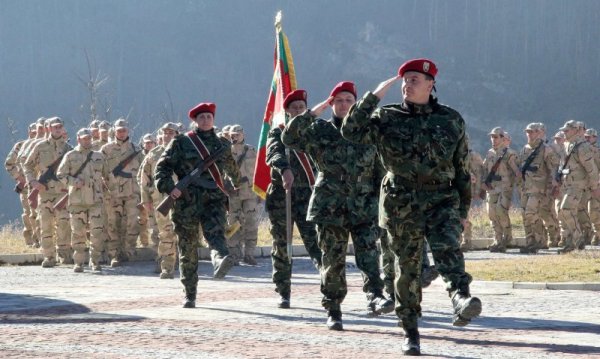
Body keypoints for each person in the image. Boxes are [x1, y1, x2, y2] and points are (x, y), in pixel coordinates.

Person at [341, 59, 481, 355]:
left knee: (448, 250)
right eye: (405, 80)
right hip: (401, 202)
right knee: (407, 268)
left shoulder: (450, 120)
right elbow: (351, 131)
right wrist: (373, 96)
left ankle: (460, 297)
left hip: (441, 198)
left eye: (415, 79)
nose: (407, 84)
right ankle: (410, 329)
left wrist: (463, 211)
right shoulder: (385, 117)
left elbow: (461, 169)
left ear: (431, 84)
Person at [282, 81, 393, 331]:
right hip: (329, 204)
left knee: (369, 253)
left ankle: (375, 296)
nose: (344, 105)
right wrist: (311, 113)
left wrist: (382, 204)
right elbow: (288, 137)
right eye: (338, 100)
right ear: (331, 104)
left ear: (355, 104)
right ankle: (333, 308)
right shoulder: (318, 130)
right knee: (333, 260)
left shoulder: (366, 131)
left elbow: (379, 171)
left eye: (348, 100)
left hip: (364, 203)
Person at [155, 102, 241, 308]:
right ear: (194, 120)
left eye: (209, 117)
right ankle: (190, 294)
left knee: (216, 234)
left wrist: (234, 184)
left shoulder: (222, 144)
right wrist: (170, 188)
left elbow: (232, 169)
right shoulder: (182, 142)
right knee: (188, 248)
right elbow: (162, 168)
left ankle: (220, 260)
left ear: (214, 120)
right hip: (187, 201)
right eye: (201, 117)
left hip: (213, 198)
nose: (205, 120)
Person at [266, 89, 322, 308]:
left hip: (309, 194)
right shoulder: (277, 132)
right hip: (283, 195)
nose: (298, 110)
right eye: (294, 107)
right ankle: (283, 291)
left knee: (316, 242)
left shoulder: (314, 131)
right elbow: (273, 153)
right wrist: (284, 169)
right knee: (282, 244)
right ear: (287, 110)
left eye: (302, 107)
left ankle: (329, 284)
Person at [23, 117, 73, 267]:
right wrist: (33, 182)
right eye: (54, 127)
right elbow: (27, 166)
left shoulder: (68, 148)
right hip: (44, 193)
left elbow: (75, 169)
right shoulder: (40, 146)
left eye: (60, 126)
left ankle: (64, 255)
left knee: (64, 223)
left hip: (62, 192)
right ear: (49, 128)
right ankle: (49, 257)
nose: (57, 129)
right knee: (46, 225)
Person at [56, 128, 106, 272]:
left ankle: (95, 261)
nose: (87, 141)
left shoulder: (99, 156)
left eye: (89, 138)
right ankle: (78, 262)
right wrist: (72, 181)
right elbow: (60, 175)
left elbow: (108, 175)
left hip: (96, 200)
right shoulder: (70, 156)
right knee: (78, 232)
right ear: (78, 139)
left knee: (97, 232)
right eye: (84, 138)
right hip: (77, 201)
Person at [139, 123, 180, 278]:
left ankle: (184, 262)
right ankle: (167, 267)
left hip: (183, 199)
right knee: (165, 233)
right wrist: (145, 200)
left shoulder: (185, 153)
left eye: (171, 133)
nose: (167, 135)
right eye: (164, 133)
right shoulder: (153, 155)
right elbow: (143, 179)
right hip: (160, 200)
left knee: (183, 232)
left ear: (176, 135)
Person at [101, 118, 144, 266]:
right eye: (119, 130)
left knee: (132, 222)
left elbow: (144, 171)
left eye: (124, 130)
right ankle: (114, 254)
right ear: (114, 131)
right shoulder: (106, 150)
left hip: (132, 192)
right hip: (113, 192)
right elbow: (99, 170)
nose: (121, 133)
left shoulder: (136, 149)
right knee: (113, 223)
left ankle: (128, 250)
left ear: (128, 130)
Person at [557, 120, 600, 252]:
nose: (564, 133)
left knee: (566, 209)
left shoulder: (582, 147)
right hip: (567, 184)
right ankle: (573, 241)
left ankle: (577, 239)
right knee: (564, 211)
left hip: (578, 184)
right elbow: (563, 165)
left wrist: (595, 187)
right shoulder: (566, 145)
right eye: (564, 131)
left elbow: (591, 169)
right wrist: (558, 177)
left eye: (567, 130)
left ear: (575, 130)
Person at [518, 123, 560, 253]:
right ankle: (531, 242)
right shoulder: (525, 149)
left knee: (531, 213)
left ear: (538, 133)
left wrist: (553, 185)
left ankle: (541, 239)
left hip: (539, 189)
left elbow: (554, 168)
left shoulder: (546, 149)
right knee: (525, 215)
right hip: (526, 188)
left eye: (532, 132)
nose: (529, 135)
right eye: (527, 132)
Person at [226, 124, 260, 265]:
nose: (235, 137)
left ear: (243, 135)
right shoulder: (226, 152)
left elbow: (259, 172)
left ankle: (250, 253)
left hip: (250, 192)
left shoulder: (251, 151)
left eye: (237, 134)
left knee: (251, 222)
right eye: (232, 135)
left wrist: (260, 192)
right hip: (234, 193)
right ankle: (234, 254)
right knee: (233, 223)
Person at [483, 127, 520, 252]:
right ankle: (497, 239)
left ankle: (507, 238)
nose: (493, 139)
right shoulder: (490, 153)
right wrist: (483, 183)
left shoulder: (509, 153)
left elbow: (517, 172)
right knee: (492, 213)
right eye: (492, 137)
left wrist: (519, 186)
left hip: (505, 187)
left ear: (503, 138)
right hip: (492, 187)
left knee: (501, 210)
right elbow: (484, 169)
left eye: (496, 137)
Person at [4, 123, 37, 247]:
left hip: (44, 187)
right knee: (29, 214)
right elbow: (9, 164)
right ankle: (30, 241)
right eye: (33, 132)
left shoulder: (46, 146)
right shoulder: (21, 146)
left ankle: (42, 242)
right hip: (26, 188)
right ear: (29, 132)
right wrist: (20, 179)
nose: (36, 135)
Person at [138, 133, 159, 249]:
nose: (149, 145)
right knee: (143, 220)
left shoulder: (159, 155)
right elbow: (139, 176)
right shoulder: (138, 156)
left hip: (159, 194)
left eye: (151, 142)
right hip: (144, 192)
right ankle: (144, 243)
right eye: (146, 143)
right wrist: (143, 193)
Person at [584, 128, 600, 245]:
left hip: (595, 185)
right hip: (583, 185)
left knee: (593, 211)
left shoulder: (597, 151)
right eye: (585, 137)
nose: (587, 139)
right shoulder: (583, 150)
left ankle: (597, 234)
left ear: (595, 138)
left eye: (589, 137)